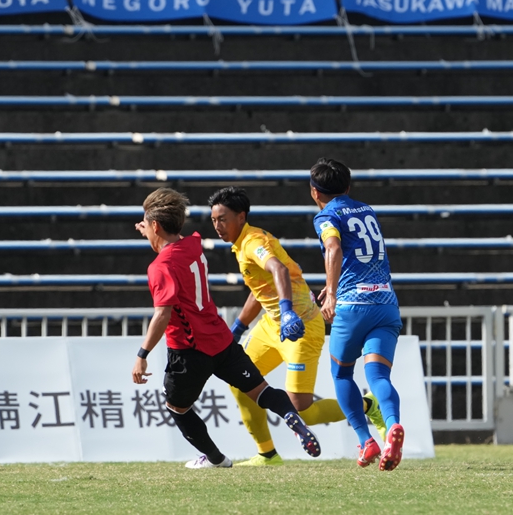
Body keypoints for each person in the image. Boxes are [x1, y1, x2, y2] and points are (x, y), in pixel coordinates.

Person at [130, 187, 322, 468]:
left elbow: (162, 314)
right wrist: (150, 227)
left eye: (147, 225)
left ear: (156, 226)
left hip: (189, 350)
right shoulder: (194, 244)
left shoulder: (160, 267)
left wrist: (142, 354)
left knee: (177, 407)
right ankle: (290, 416)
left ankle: (216, 459)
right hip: (221, 341)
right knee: (261, 391)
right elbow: (172, 240)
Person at [208, 186, 386, 467]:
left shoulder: (253, 241)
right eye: (214, 220)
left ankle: (368, 405)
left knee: (302, 409)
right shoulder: (242, 244)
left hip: (300, 326)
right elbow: (261, 289)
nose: (217, 226)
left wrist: (288, 311)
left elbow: (278, 270)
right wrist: (238, 328)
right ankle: (267, 454)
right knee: (240, 382)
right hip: (271, 326)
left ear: (241, 217)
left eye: (222, 219)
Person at [309, 158, 406, 471]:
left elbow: (334, 248)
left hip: (353, 305)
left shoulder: (326, 215)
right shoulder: (367, 210)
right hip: (385, 303)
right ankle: (393, 425)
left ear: (314, 192)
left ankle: (366, 440)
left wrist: (331, 292)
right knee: (378, 376)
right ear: (348, 187)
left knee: (341, 374)